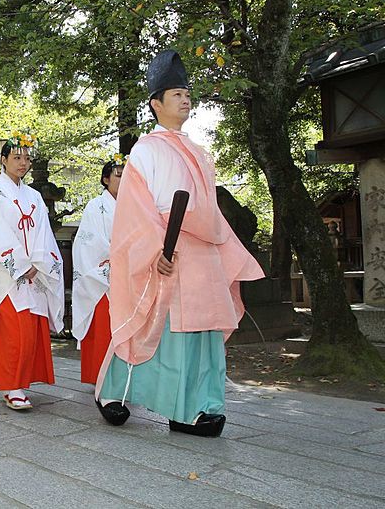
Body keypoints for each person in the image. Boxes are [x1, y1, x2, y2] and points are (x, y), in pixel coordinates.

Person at [95, 50, 264, 437]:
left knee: (204, 333)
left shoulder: (198, 151)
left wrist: (223, 247)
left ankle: (200, 407)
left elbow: (209, 209)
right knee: (154, 325)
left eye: (187, 94)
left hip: (203, 253)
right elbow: (136, 208)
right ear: (156, 104)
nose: (185, 100)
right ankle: (115, 394)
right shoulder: (146, 149)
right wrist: (156, 250)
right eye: (176, 94)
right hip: (170, 250)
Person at [0, 134, 64, 410]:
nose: (23, 163)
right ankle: (11, 386)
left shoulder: (33, 195)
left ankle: (20, 382)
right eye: (16, 158)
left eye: (27, 158)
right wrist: (20, 264)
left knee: (30, 329)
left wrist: (38, 263)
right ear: (3, 160)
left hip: (34, 269)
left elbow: (43, 232)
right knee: (14, 330)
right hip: (6, 272)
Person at [72, 160, 123, 384]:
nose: (124, 180)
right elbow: (89, 241)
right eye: (119, 175)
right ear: (105, 179)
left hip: (128, 274)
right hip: (102, 274)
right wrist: (118, 258)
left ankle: (122, 381)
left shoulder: (134, 204)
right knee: (103, 326)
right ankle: (101, 379)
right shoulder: (96, 206)